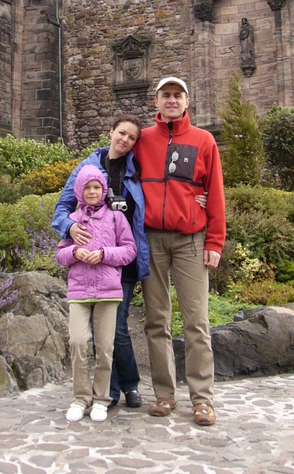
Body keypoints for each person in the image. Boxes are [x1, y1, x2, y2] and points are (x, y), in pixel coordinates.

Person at [135, 76, 226, 427]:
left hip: (190, 240)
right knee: (156, 320)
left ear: (187, 102)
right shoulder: (141, 140)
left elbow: (214, 192)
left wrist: (214, 241)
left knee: (196, 322)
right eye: (165, 95)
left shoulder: (204, 140)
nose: (171, 100)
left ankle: (202, 400)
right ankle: (164, 394)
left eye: (178, 95)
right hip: (152, 240)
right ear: (156, 102)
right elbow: (115, 170)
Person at [52, 115, 149, 409]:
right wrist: (68, 229)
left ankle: (127, 385)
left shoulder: (138, 168)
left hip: (124, 258)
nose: (125, 140)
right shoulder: (89, 167)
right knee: (101, 331)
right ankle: (111, 390)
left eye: (132, 137)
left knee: (116, 327)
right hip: (91, 266)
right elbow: (63, 207)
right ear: (111, 133)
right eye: (122, 133)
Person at [55, 165, 137, 422]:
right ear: (80, 189)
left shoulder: (115, 218)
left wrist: (103, 255)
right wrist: (74, 253)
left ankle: (101, 398)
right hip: (79, 290)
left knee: (104, 347)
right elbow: (60, 254)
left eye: (97, 187)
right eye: (87, 187)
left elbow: (129, 250)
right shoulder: (73, 220)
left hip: (108, 290)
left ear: (103, 189)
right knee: (78, 342)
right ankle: (80, 398)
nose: (92, 191)